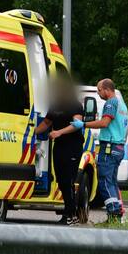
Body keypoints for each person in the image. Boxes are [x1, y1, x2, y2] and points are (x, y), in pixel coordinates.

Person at [35, 78, 84, 225]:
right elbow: (46, 122)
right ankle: (70, 213)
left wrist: (59, 132)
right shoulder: (55, 104)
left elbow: (77, 124)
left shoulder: (75, 105)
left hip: (73, 146)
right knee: (61, 181)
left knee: (68, 180)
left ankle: (70, 214)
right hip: (59, 146)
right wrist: (31, 132)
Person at [80, 78, 128, 223]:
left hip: (109, 147)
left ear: (107, 90)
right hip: (118, 147)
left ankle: (113, 214)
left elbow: (104, 123)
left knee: (104, 182)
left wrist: (83, 124)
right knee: (112, 182)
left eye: (99, 90)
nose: (98, 92)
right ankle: (116, 216)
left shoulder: (111, 103)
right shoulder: (122, 105)